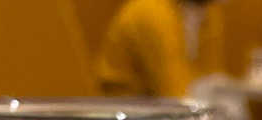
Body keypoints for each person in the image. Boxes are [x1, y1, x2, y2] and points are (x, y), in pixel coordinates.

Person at [97, 0, 227, 98]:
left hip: (166, 113)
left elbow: (209, 80)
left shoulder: (208, 12)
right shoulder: (151, 11)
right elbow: (175, 94)